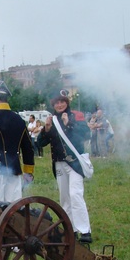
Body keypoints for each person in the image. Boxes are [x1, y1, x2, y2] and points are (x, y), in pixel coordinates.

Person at [36, 90, 93, 243]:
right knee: (65, 198)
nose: (59, 105)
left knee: (75, 194)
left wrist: (70, 124)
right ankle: (71, 229)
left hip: (74, 162)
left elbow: (86, 134)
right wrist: (46, 129)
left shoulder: (76, 116)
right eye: (56, 103)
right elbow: (40, 143)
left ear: (66, 103)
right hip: (59, 163)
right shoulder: (51, 120)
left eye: (62, 102)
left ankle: (84, 231)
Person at [0, 81, 35, 202]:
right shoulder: (19, 119)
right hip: (14, 168)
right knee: (13, 208)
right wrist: (28, 171)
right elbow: (27, 148)